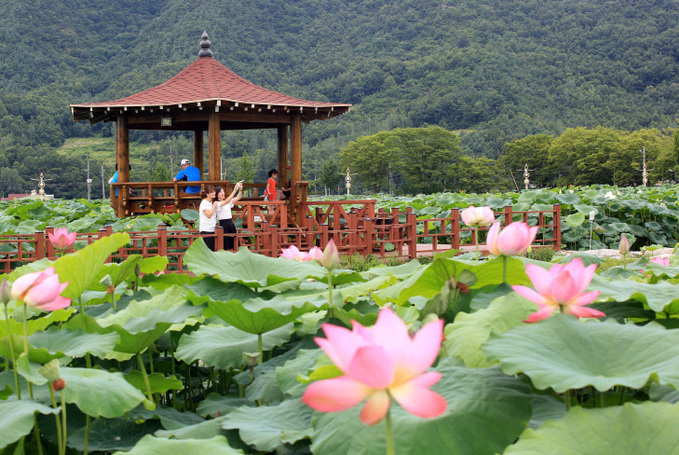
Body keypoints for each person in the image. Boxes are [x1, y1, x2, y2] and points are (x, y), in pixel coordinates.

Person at [216, 182, 243, 251]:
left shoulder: (227, 202)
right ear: (216, 194)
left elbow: (238, 197)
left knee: (234, 244)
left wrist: (240, 190)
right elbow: (227, 201)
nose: (223, 193)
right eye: (221, 192)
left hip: (230, 223)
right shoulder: (217, 204)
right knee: (226, 245)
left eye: (223, 192)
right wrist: (234, 190)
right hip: (224, 224)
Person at [198, 185, 218, 251]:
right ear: (207, 194)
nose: (214, 193)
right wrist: (214, 206)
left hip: (212, 229)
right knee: (208, 251)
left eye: (214, 191)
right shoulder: (204, 202)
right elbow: (208, 215)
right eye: (212, 192)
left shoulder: (211, 203)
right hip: (206, 230)